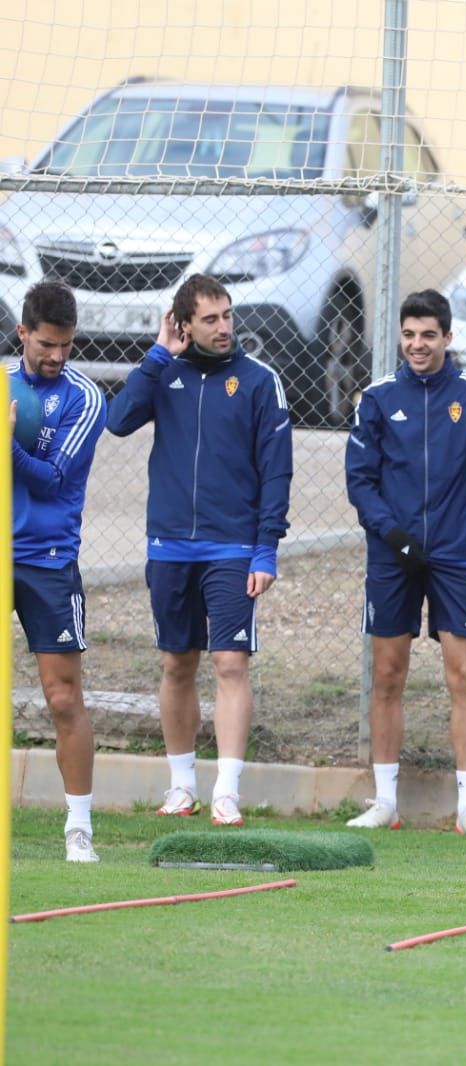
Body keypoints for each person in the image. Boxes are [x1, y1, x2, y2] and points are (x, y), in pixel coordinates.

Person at [105, 274, 292, 826]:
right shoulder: (165, 373)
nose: (224, 327)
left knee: (230, 662)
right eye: (210, 319)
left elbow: (276, 472)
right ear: (183, 324)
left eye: (228, 316)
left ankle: (227, 790)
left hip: (233, 547)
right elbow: (117, 423)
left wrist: (265, 550)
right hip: (169, 547)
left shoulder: (260, 382)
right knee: (176, 663)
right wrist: (158, 355)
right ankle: (181, 785)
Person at [344, 289, 466, 838]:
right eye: (409, 334)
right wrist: (394, 535)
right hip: (393, 558)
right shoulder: (375, 397)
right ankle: (386, 802)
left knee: (464, 674)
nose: (418, 345)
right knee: (387, 673)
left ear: (447, 337)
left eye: (428, 335)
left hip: (458, 556)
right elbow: (360, 480)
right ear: (401, 336)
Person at [9, 280, 106, 862]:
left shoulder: (84, 397)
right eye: (47, 344)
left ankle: (78, 828)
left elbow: (52, 477)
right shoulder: (2, 382)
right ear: (23, 332)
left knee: (63, 697)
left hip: (48, 561)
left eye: (66, 345)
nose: (57, 356)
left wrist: (7, 442)